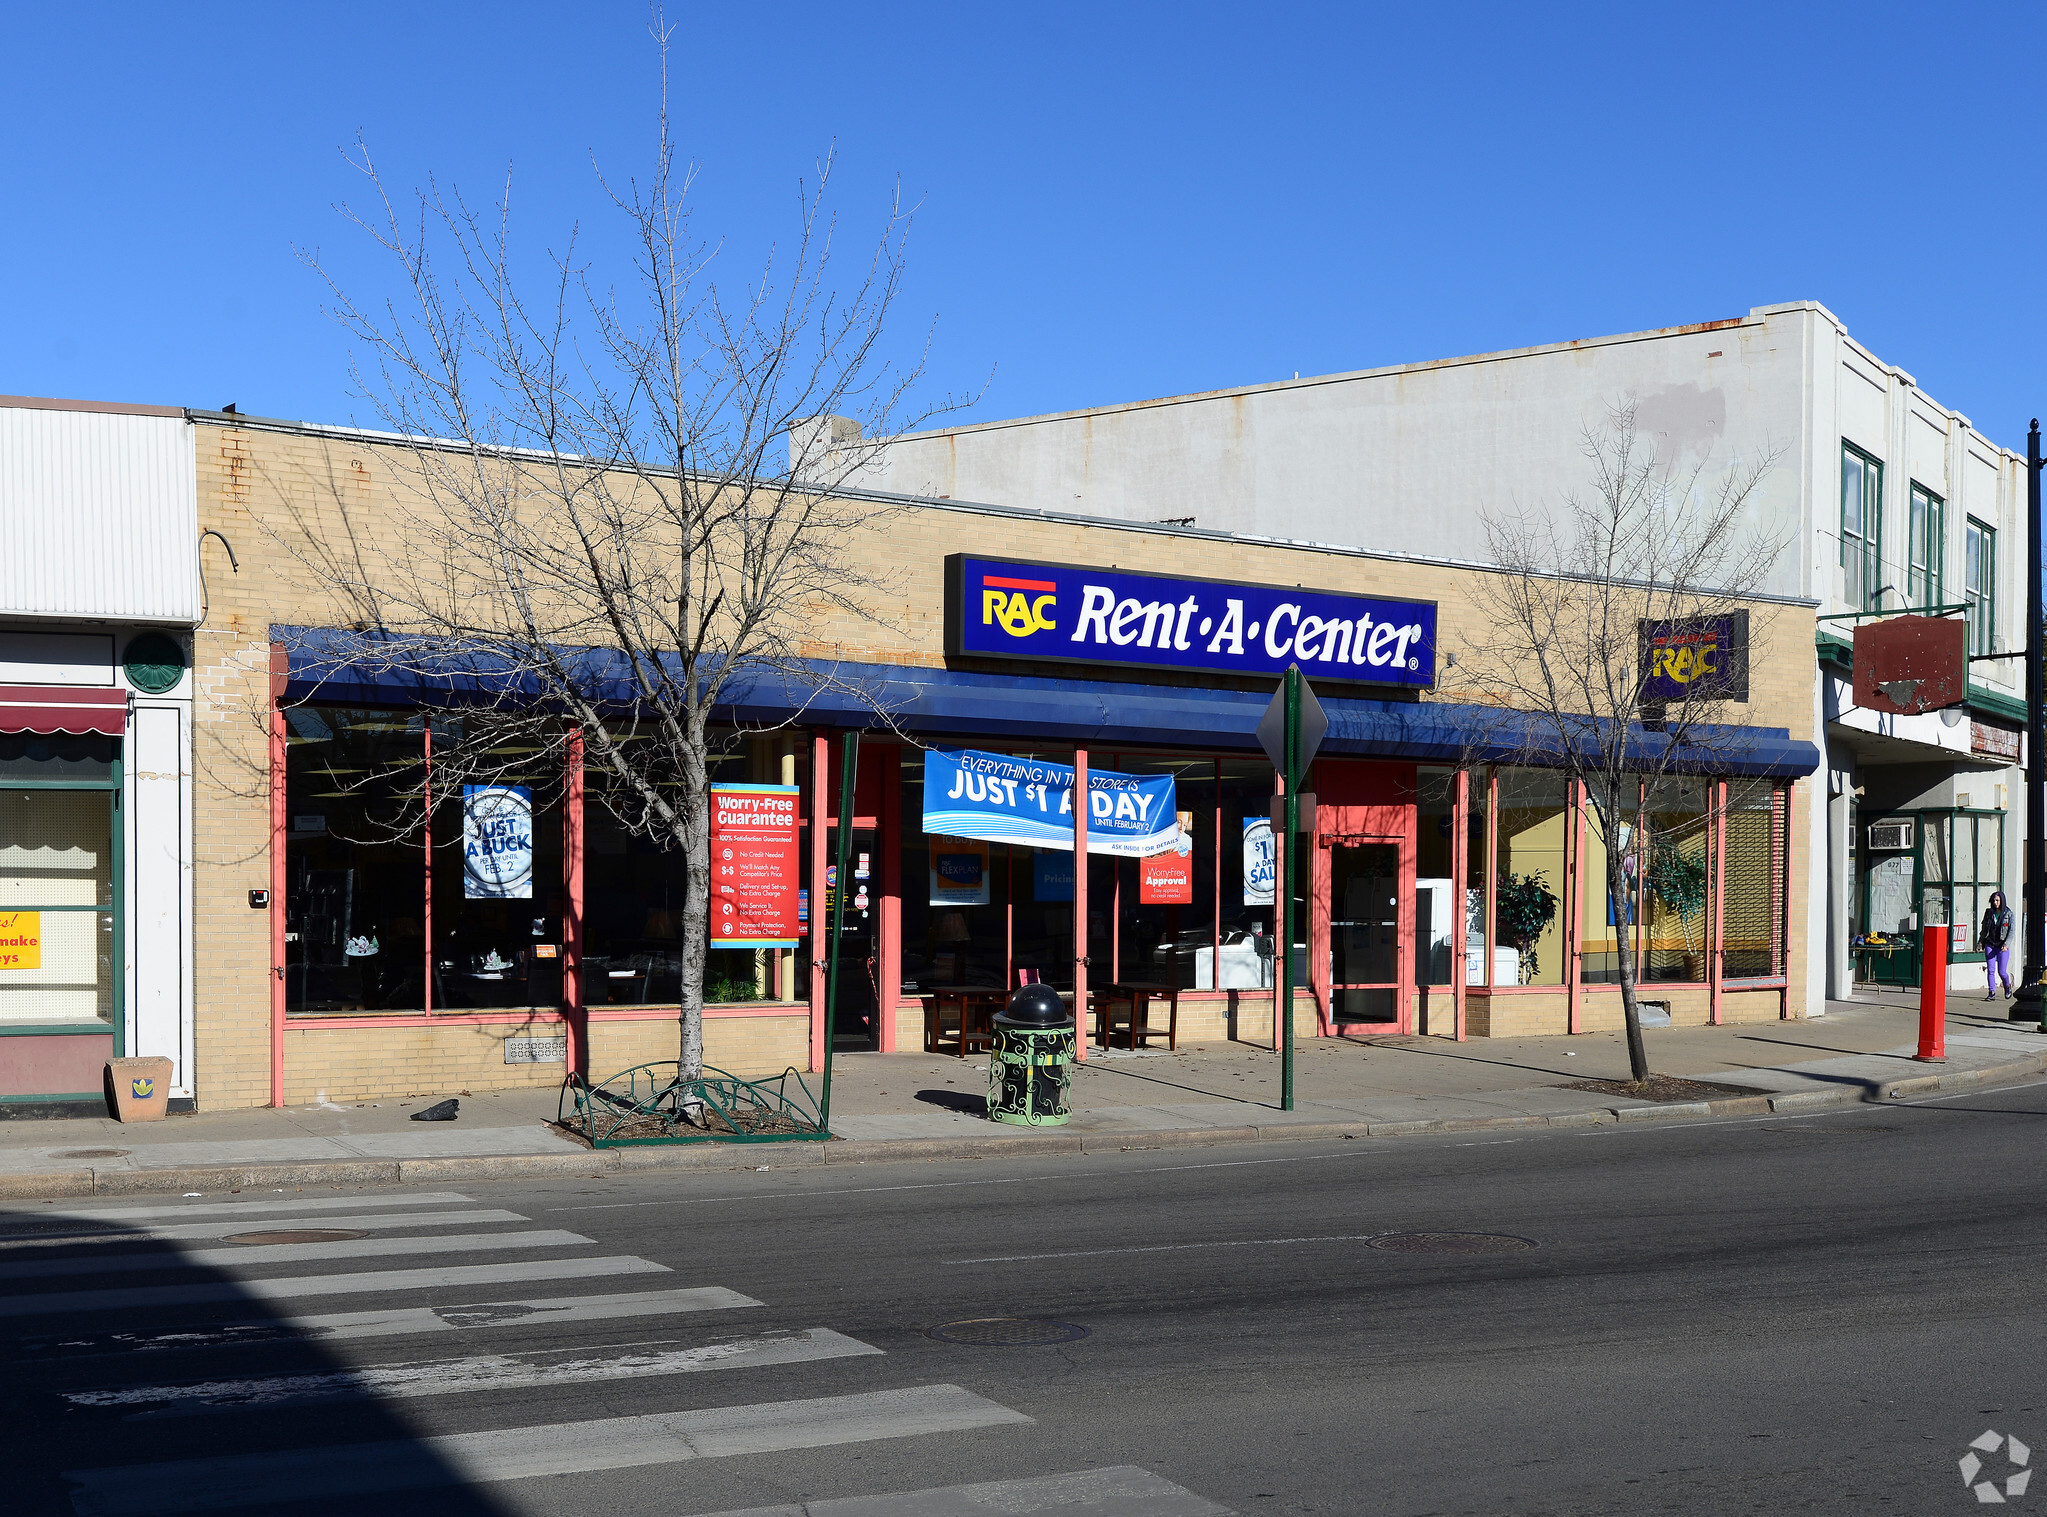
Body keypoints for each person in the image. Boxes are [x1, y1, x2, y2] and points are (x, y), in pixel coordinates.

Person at [1981, 891, 2015, 1001]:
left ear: (2002, 901)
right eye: (1994, 900)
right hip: (1990, 944)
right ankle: (1991, 992)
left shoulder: (2008, 914)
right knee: (1991, 970)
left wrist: (2006, 945)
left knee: (2002, 972)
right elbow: (1984, 930)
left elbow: (2011, 931)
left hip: (2002, 946)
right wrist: (1980, 942)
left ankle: (2007, 986)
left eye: (1997, 900)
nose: (1995, 903)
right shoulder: (1989, 913)